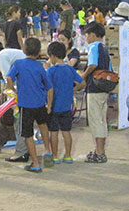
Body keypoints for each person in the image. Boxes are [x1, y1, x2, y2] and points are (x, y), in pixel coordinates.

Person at [6, 37, 54, 172]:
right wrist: (49, 105)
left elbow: (9, 77)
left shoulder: (18, 64)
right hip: (40, 103)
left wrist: (13, 90)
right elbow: (49, 88)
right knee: (43, 126)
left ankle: (36, 163)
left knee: (28, 134)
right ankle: (47, 149)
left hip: (25, 105)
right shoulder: (40, 67)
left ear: (24, 50)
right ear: (39, 52)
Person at [0, 38, 29, 162]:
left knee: (17, 120)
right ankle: (21, 148)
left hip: (22, 88)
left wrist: (5, 95)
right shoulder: (8, 53)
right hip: (25, 85)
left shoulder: (1, 56)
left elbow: (8, 79)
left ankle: (21, 151)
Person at [75, 22, 111, 163]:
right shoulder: (104, 47)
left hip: (95, 88)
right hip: (104, 87)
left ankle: (99, 153)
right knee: (102, 119)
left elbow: (93, 64)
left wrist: (83, 76)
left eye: (87, 35)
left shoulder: (93, 46)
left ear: (92, 35)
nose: (86, 38)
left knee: (95, 120)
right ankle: (100, 150)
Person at [46, 41, 82, 163]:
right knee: (66, 132)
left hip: (54, 106)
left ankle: (55, 156)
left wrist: (49, 105)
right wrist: (73, 90)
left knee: (54, 132)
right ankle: (68, 155)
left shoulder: (51, 71)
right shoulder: (70, 69)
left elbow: (50, 89)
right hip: (67, 106)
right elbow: (82, 82)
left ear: (52, 56)